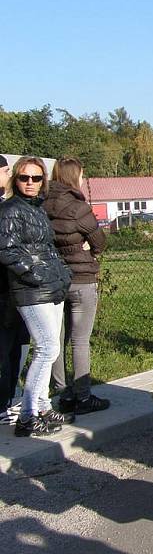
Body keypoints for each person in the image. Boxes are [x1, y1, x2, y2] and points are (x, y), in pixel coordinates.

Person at [0, 156, 72, 437]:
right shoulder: (10, 210)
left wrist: (61, 274)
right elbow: (7, 250)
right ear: (15, 179)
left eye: (36, 178)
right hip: (31, 291)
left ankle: (41, 406)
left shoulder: (37, 208)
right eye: (24, 177)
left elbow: (47, 248)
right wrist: (36, 274)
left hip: (52, 287)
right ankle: (28, 415)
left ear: (44, 180)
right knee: (45, 349)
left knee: (50, 346)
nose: (30, 183)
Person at [43, 157, 110, 415]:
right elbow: (100, 242)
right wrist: (85, 247)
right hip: (81, 278)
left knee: (56, 338)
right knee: (80, 339)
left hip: (53, 278)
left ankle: (62, 390)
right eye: (81, 175)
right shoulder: (78, 207)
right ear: (75, 176)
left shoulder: (43, 204)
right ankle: (83, 396)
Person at [0, 154, 30, 425]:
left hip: (13, 288)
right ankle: (5, 400)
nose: (8, 175)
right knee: (6, 348)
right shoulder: (7, 209)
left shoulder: (12, 205)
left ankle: (10, 396)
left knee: (16, 346)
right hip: (6, 287)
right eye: (7, 170)